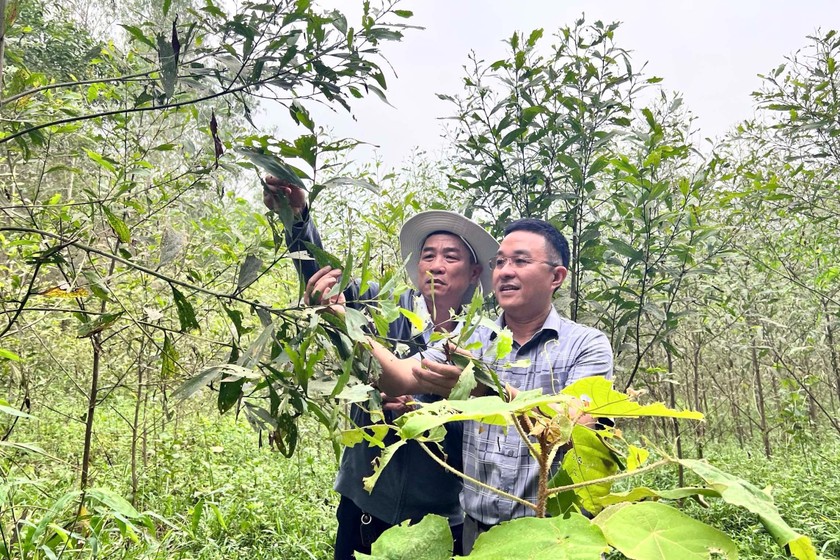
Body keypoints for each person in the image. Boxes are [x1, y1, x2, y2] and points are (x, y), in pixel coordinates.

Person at [262, 176, 499, 558]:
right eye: (428, 255)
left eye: (451, 257)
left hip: (438, 522)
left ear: (474, 273)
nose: (436, 266)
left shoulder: (484, 341)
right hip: (364, 503)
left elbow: (489, 431)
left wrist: (429, 414)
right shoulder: (379, 306)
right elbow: (325, 284)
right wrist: (297, 216)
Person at [373, 218, 614, 554]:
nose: (505, 271)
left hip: (556, 536)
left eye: (520, 261)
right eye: (499, 262)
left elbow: (573, 426)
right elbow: (399, 376)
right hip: (478, 535)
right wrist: (341, 321)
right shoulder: (469, 338)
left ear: (556, 277)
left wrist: (487, 393)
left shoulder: (587, 345)